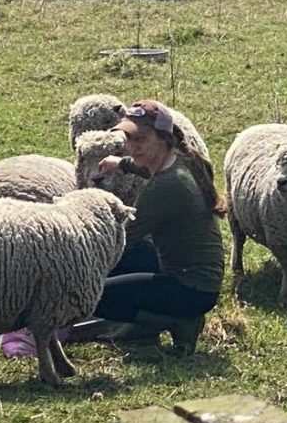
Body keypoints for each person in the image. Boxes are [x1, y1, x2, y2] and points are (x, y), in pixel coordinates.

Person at [89, 99, 225, 354]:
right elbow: (146, 169)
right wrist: (121, 163)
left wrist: (77, 265)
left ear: (163, 138)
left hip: (190, 289)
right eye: (129, 139)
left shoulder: (164, 188)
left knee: (93, 295)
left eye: (140, 139)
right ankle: (160, 315)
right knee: (128, 262)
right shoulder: (183, 161)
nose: (132, 146)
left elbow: (123, 239)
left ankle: (177, 321)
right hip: (199, 278)